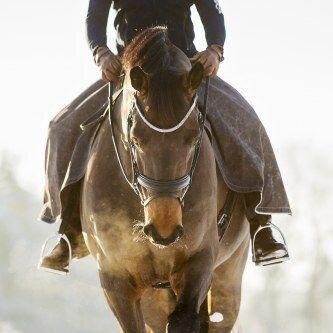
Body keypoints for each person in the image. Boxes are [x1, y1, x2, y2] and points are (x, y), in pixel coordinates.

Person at [38, 0, 290, 274]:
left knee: (247, 123)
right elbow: (95, 15)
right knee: (60, 127)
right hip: (131, 73)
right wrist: (100, 53)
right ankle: (69, 230)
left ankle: (260, 224)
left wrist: (215, 50)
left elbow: (211, 12)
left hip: (184, 71)